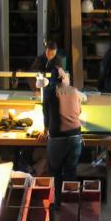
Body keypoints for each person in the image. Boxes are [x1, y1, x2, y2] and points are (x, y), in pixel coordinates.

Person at [41, 63, 87, 194]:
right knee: (70, 172)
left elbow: (46, 115)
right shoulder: (74, 91)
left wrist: (45, 130)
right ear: (65, 78)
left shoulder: (49, 92)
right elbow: (79, 111)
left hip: (57, 139)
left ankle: (56, 202)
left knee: (55, 172)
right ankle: (70, 201)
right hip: (75, 138)